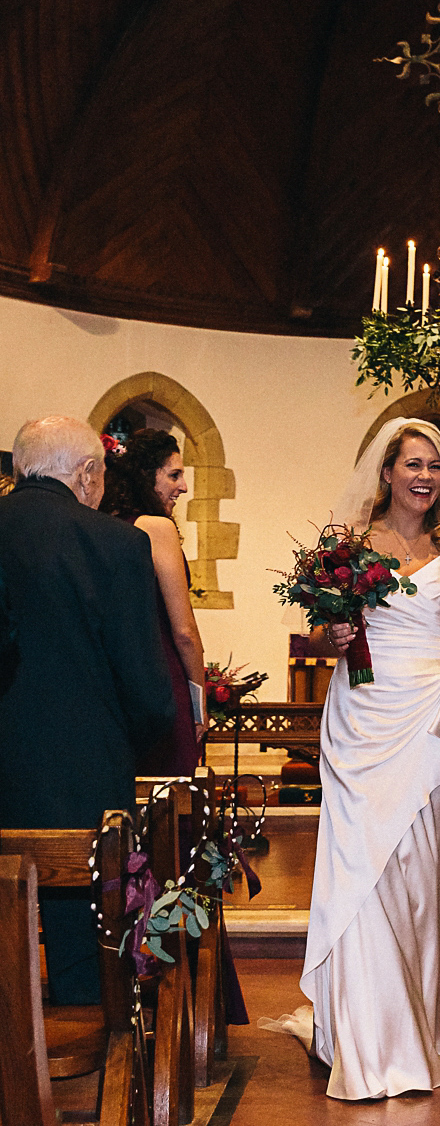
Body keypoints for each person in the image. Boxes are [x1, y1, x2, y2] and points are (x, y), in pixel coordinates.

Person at [260, 418, 440, 1100]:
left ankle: (432, 1013)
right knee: (363, 869)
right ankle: (371, 1029)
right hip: (359, 717)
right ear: (386, 473)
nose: (423, 476)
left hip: (429, 723)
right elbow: (327, 636)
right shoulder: (346, 545)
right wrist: (332, 633)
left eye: (435, 466)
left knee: (420, 872)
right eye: (411, 464)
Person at [0, 416, 175, 1003]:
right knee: (85, 939)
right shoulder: (117, 544)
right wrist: (129, 745)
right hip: (82, 774)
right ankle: (92, 1057)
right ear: (87, 473)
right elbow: (147, 688)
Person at [100, 429, 205, 775]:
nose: (184, 486)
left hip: (115, 684)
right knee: (173, 797)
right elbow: (185, 632)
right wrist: (200, 704)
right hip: (162, 679)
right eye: (174, 474)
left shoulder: (104, 525)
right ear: (147, 475)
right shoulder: (157, 527)